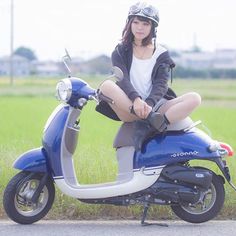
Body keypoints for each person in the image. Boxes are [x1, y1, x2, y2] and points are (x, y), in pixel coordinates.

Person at [96, 2, 201, 150]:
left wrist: (149, 105)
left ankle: (150, 128)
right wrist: (137, 100)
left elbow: (161, 85)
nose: (139, 27)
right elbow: (122, 78)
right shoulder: (120, 51)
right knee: (106, 85)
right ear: (129, 24)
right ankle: (151, 121)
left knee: (195, 98)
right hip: (130, 108)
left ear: (152, 27)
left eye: (145, 24)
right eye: (136, 22)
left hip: (155, 108)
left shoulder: (162, 53)